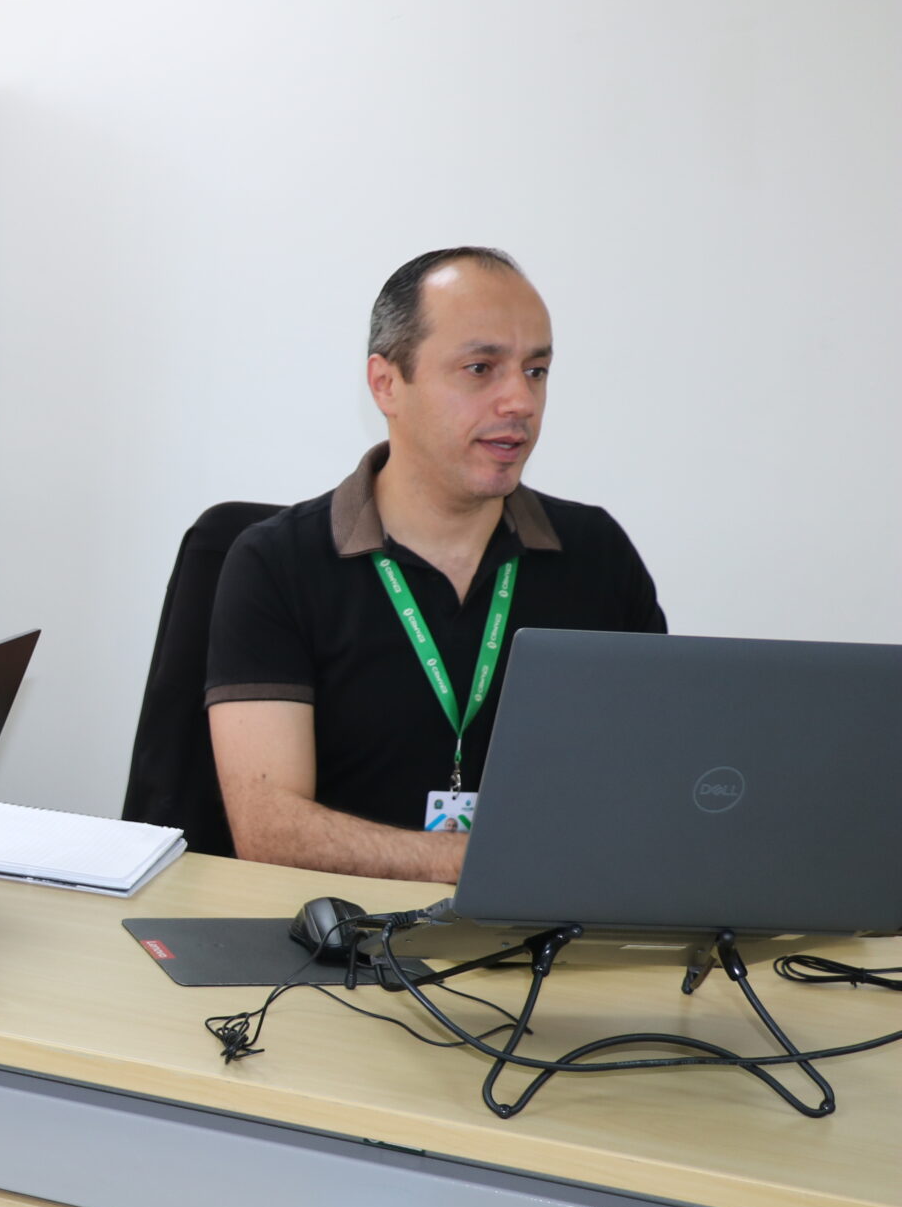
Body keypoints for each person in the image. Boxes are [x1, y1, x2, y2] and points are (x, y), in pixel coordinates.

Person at [204, 247, 666, 883]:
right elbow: (270, 829)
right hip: (343, 947)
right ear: (386, 383)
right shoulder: (275, 563)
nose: (520, 402)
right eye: (481, 368)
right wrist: (487, 866)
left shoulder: (596, 552)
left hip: (549, 941)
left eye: (536, 371)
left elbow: (657, 780)